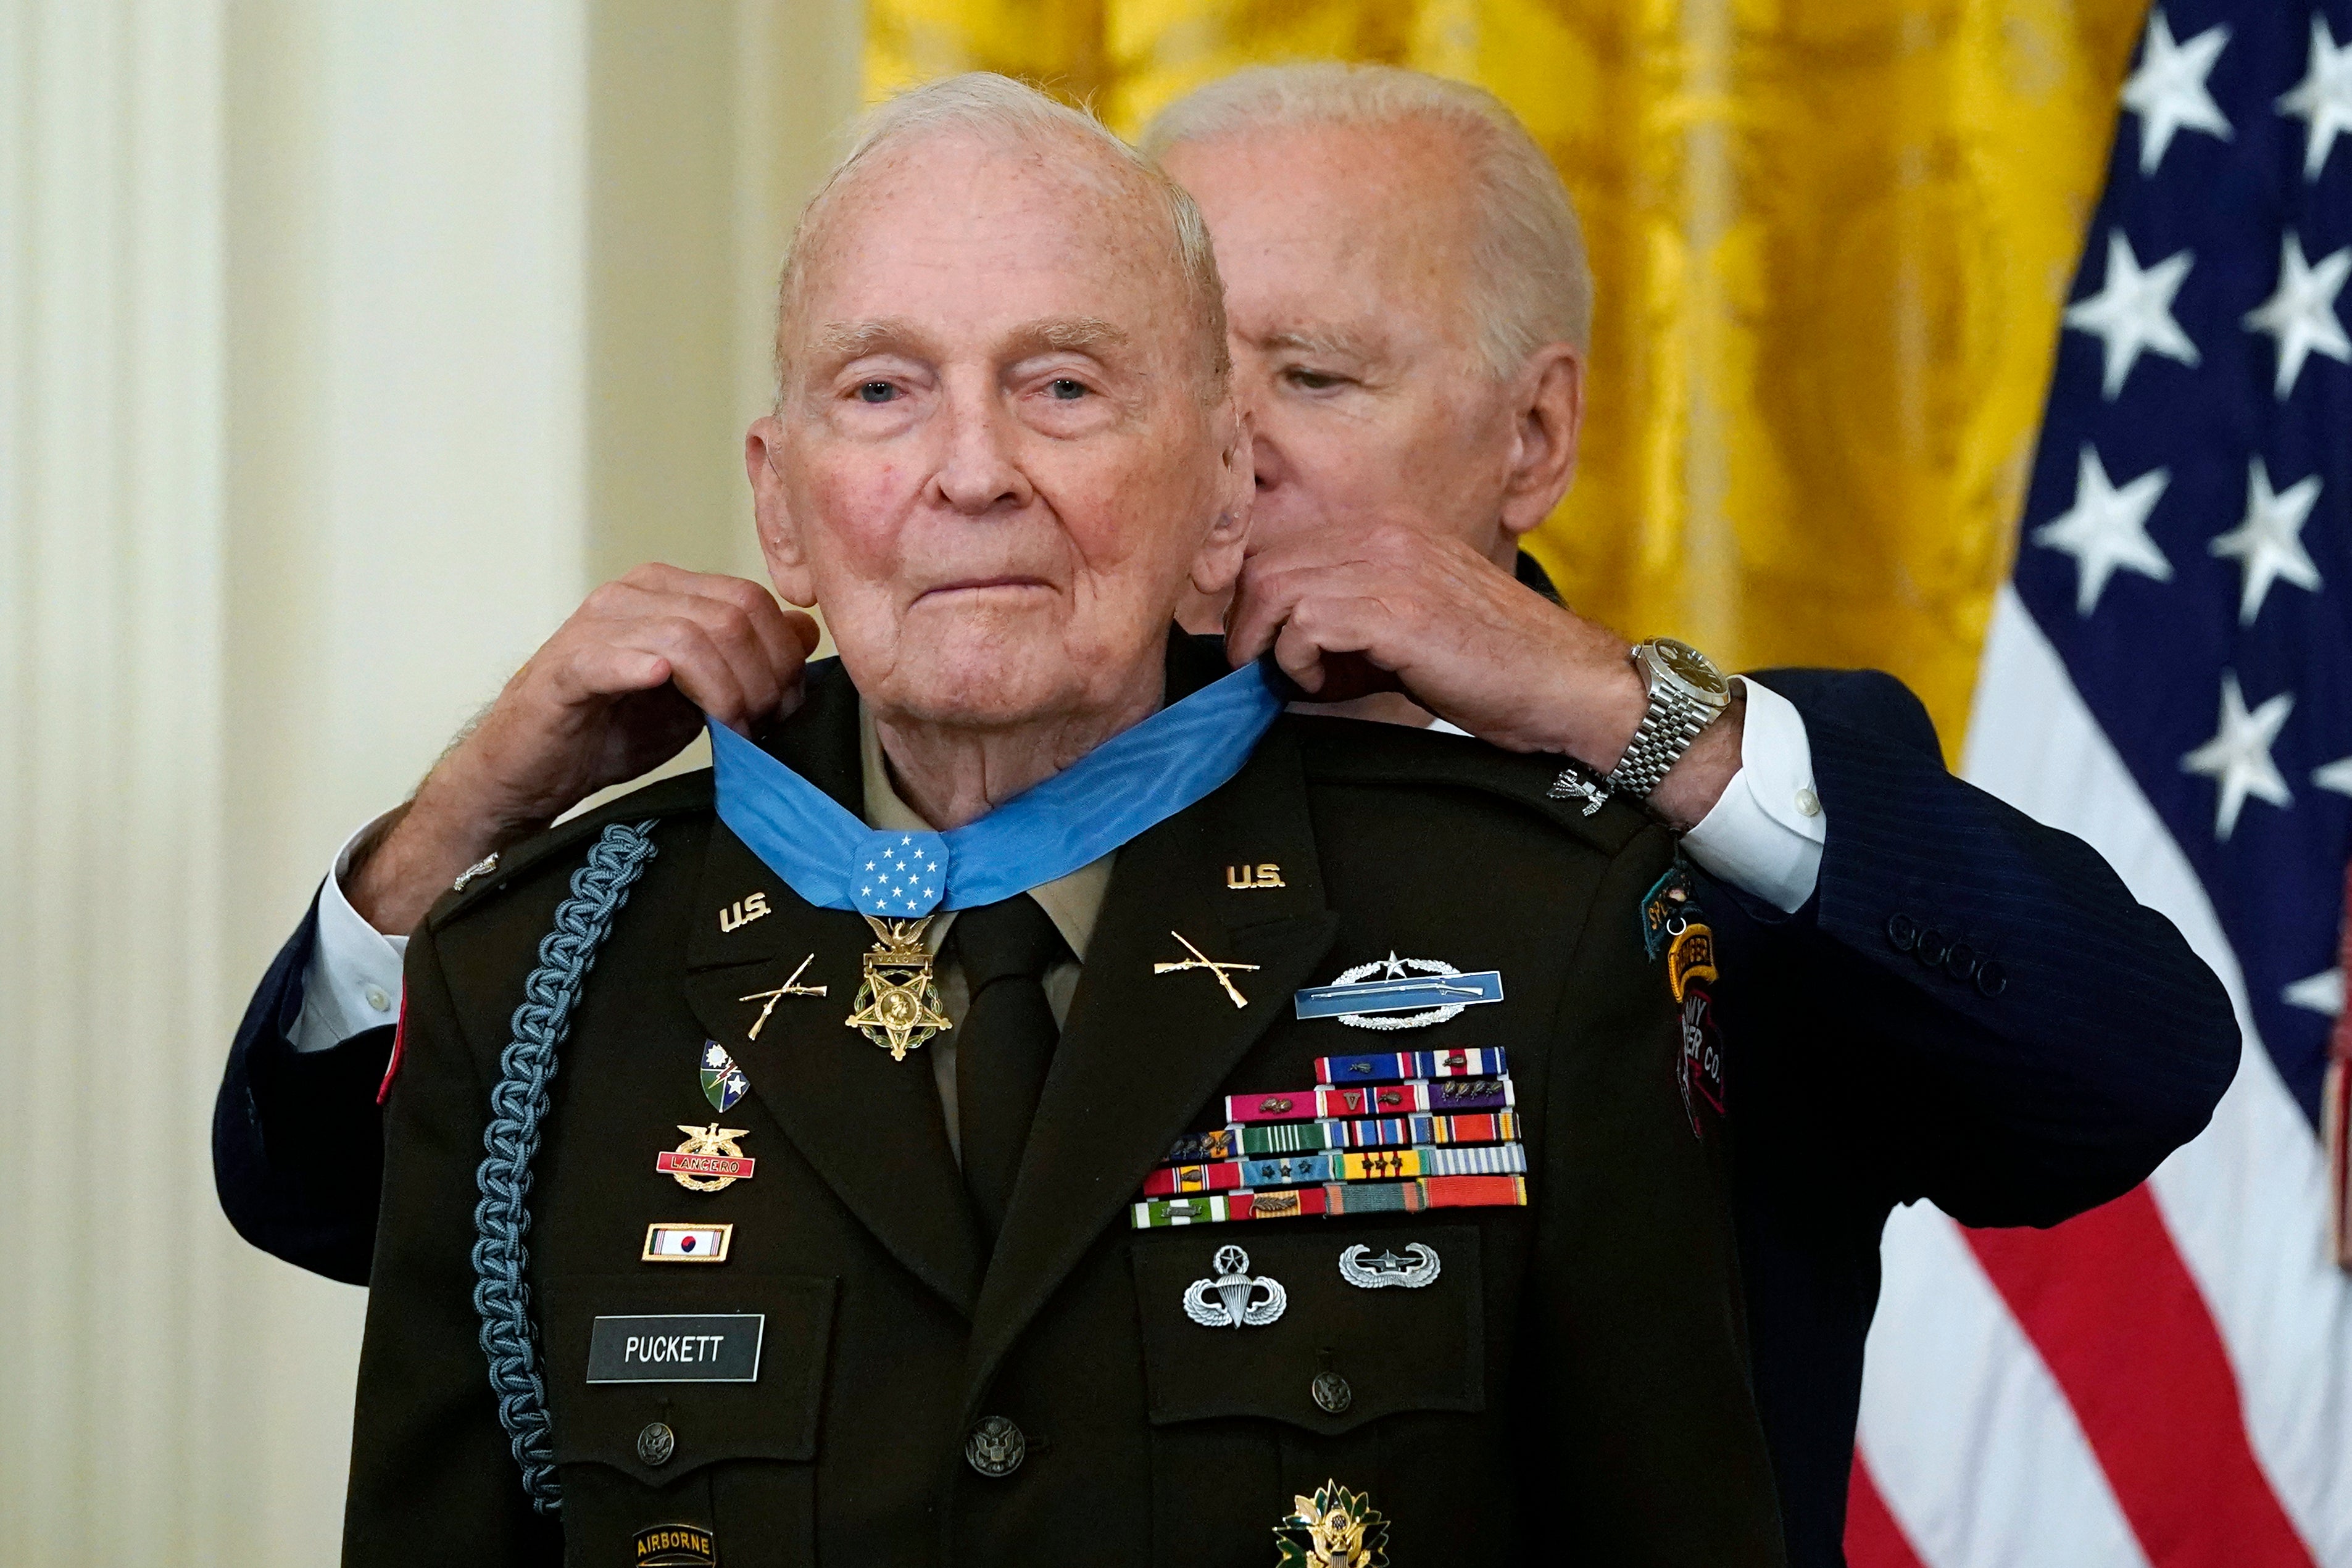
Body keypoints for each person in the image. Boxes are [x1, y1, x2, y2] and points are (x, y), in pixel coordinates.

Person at [215, 64, 2240, 1566]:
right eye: (1179, 363)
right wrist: (469, 810)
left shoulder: (1624, 847)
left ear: (1533, 434)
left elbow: (2116, 1070)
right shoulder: (805, 817)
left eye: (1309, 377)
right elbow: (365, 1192)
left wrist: (1603, 711)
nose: (1239, 462)